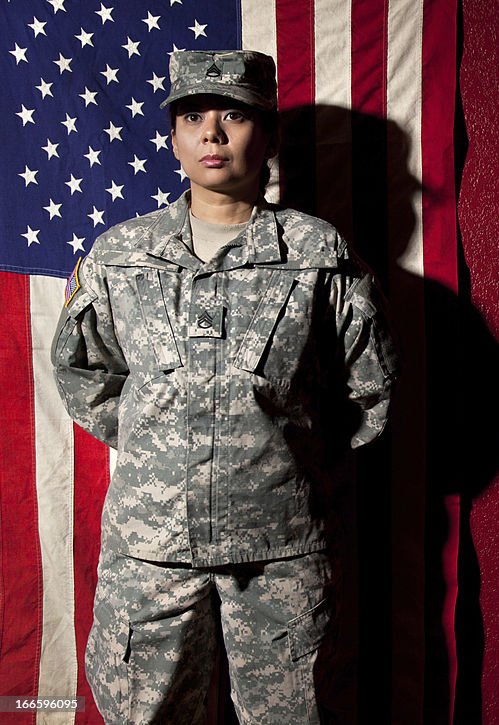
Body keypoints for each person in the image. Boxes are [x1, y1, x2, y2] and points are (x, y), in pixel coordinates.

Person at [50, 50, 398, 723]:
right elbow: (83, 369)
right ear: (174, 136)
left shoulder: (317, 255)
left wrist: (281, 455)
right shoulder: (121, 255)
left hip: (281, 552)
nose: (212, 133)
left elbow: (369, 386)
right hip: (153, 552)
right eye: (193, 116)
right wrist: (158, 441)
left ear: (267, 136)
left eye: (234, 114)